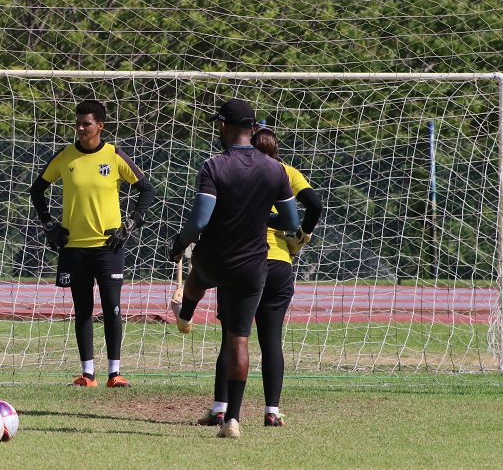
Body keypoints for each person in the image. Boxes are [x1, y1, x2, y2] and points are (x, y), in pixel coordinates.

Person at [168, 98, 299, 438]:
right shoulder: (276, 169)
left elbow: (199, 220)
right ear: (253, 129)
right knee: (239, 340)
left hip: (214, 260)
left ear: (224, 126)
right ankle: (233, 421)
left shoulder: (213, 165)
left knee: (199, 277)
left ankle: (185, 312)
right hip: (252, 266)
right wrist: (259, 215)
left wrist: (180, 243)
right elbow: (290, 221)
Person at [196, 124, 323, 429]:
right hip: (278, 262)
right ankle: (272, 410)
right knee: (271, 340)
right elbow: (315, 205)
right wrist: (300, 236)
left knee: (233, 339)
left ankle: (220, 409)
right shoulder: (285, 171)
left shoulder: (231, 170)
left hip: (242, 262)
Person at [30, 100, 156, 388]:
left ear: (100, 125)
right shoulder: (65, 156)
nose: (80, 128)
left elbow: (146, 189)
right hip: (74, 246)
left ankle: (115, 373)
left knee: (112, 307)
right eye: (77, 123)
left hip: (108, 247)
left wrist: (132, 223)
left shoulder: (113, 156)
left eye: (86, 123)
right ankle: (88, 374)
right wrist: (48, 223)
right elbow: (37, 190)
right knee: (82, 308)